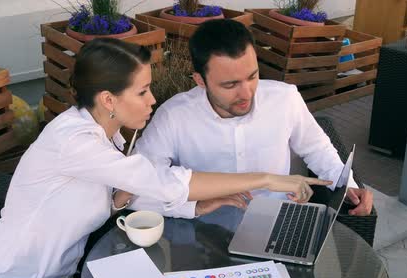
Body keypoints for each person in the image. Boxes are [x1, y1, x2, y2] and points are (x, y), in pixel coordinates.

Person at [0, 38, 331, 278]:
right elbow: (160, 180)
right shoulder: (73, 142)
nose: (153, 99)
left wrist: (195, 206)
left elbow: (132, 192)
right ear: (109, 99)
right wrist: (266, 178)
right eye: (142, 92)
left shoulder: (106, 139)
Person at [128, 19, 373, 219]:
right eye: (230, 84)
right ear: (200, 81)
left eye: (252, 76)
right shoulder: (174, 116)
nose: (246, 93)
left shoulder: (284, 98)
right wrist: (192, 207)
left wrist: (347, 186)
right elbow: (135, 189)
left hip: (276, 221)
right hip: (200, 230)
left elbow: (317, 148)